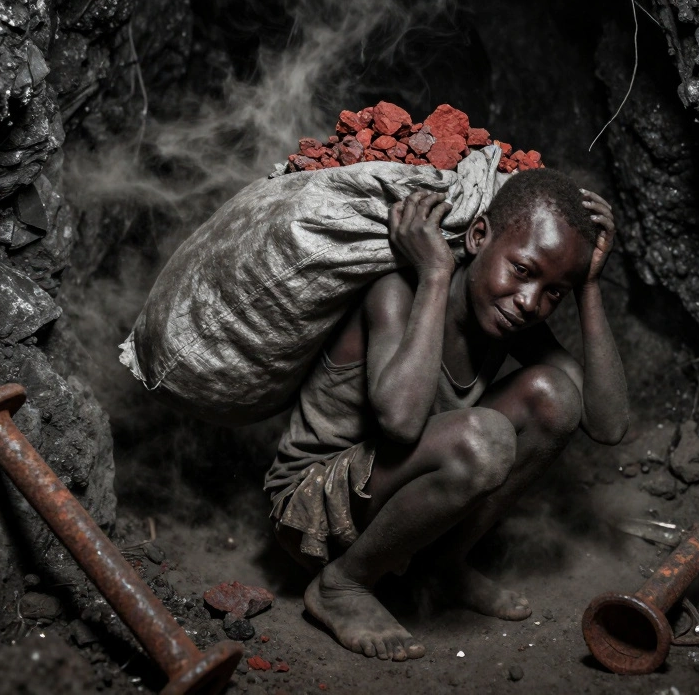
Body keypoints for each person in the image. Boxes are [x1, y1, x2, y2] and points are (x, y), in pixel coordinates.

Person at [262, 168, 630, 661]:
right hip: (312, 509)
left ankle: (442, 566)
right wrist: (435, 273)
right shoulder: (395, 292)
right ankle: (343, 585)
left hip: (384, 505)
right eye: (522, 270)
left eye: (553, 292)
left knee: (555, 396)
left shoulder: (511, 320)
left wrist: (588, 288)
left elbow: (606, 424)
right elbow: (401, 421)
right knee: (485, 439)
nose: (530, 302)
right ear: (479, 236)